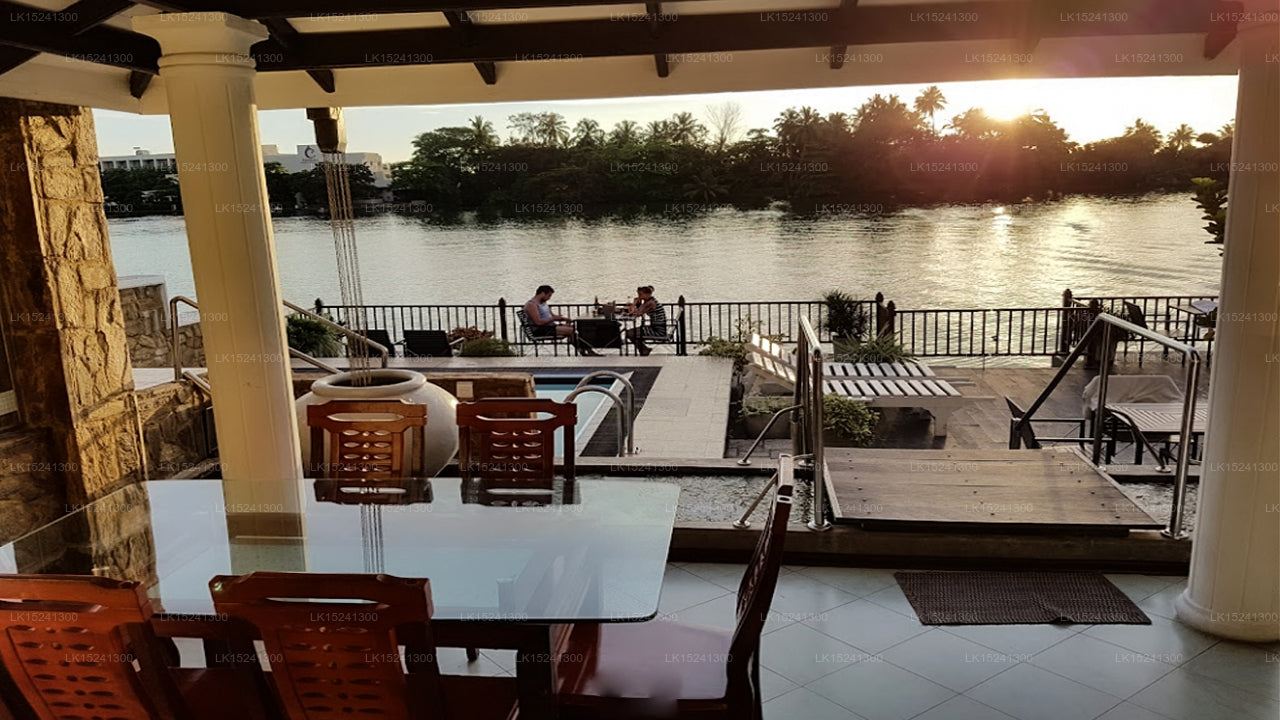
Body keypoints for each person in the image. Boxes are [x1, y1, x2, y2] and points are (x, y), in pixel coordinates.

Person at [524, 285, 600, 356]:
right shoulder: (532, 305)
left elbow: (552, 316)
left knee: (576, 328)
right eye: (549, 295)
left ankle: (585, 350)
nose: (549, 298)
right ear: (542, 293)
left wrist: (564, 319)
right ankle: (584, 351)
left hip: (549, 327)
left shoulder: (543, 303)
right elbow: (538, 322)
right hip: (540, 330)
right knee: (571, 330)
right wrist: (553, 319)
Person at [623, 285, 666, 356]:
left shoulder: (650, 303)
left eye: (640, 294)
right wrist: (636, 306)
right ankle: (644, 349)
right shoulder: (649, 301)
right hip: (656, 327)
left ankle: (644, 349)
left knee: (629, 333)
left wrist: (634, 303)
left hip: (658, 330)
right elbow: (637, 312)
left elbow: (637, 313)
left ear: (647, 294)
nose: (639, 296)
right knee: (630, 333)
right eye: (638, 294)